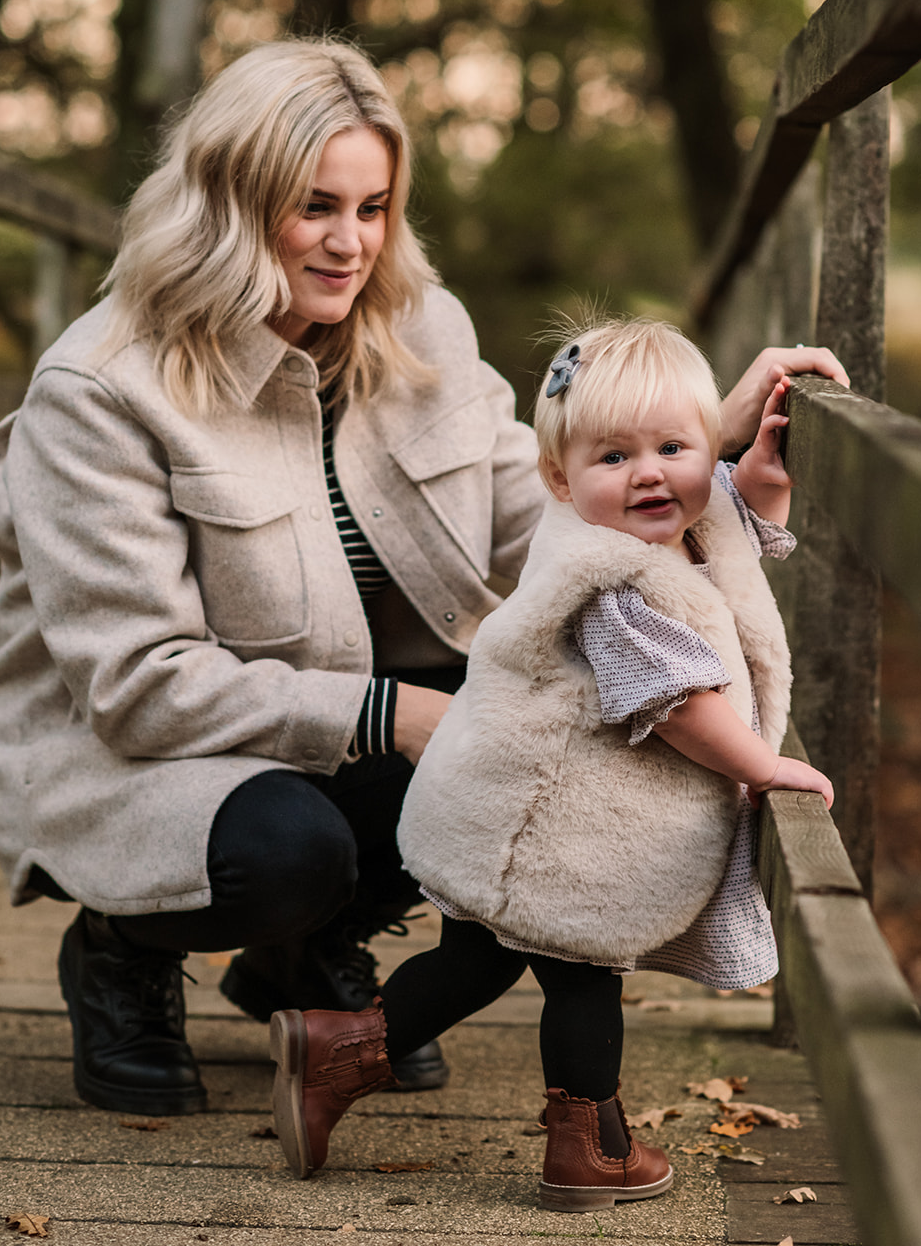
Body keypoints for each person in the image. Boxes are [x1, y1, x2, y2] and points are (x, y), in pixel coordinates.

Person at [0, 35, 846, 1122]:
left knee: (531, 741)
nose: (350, 244)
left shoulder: (421, 327)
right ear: (229, 203)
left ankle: (304, 955)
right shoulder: (99, 392)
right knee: (288, 852)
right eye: (313, 207)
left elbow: (552, 530)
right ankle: (118, 948)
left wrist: (699, 458)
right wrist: (402, 715)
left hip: (346, 720)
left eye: (373, 207)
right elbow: (138, 684)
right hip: (138, 750)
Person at [267, 317, 833, 1215]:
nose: (649, 472)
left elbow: (719, 528)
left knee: (476, 960)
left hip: (530, 813)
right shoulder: (610, 583)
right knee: (581, 969)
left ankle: (335, 1054)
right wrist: (763, 767)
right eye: (614, 457)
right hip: (546, 825)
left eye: (673, 447)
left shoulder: (664, 521)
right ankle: (587, 1151)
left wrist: (757, 475)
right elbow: (682, 708)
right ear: (561, 480)